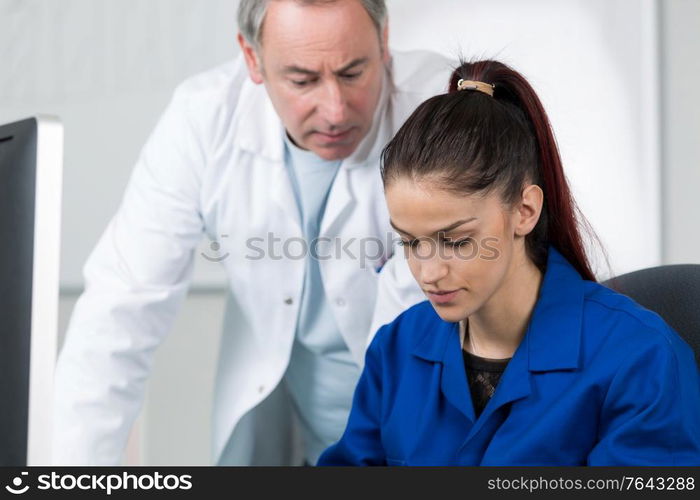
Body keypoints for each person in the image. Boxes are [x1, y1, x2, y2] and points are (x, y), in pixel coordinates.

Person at [52, 0, 450, 465]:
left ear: (383, 42)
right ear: (251, 58)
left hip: (423, 425)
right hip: (289, 421)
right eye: (302, 80)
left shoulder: (443, 107)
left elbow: (423, 334)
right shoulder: (204, 118)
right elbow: (119, 311)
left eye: (352, 72)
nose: (335, 109)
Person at [317, 60, 700, 465]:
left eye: (457, 241)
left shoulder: (639, 358)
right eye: (410, 243)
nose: (428, 273)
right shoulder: (397, 349)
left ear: (525, 210)